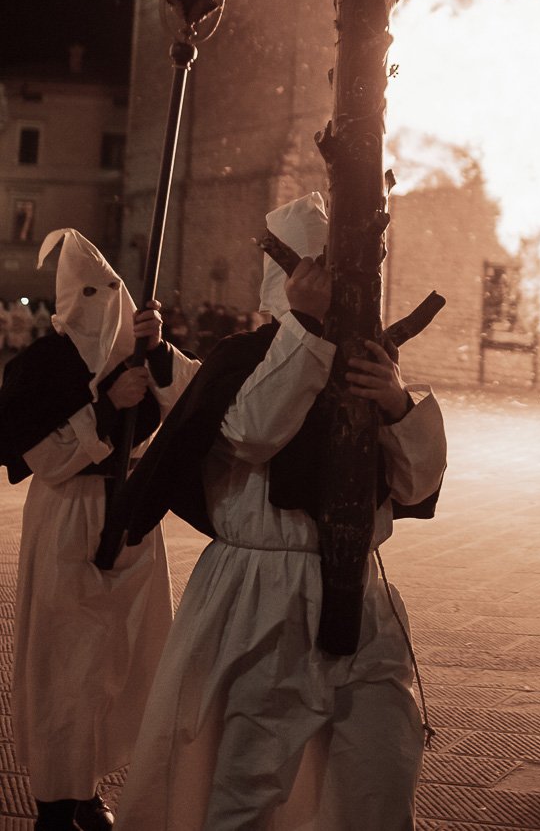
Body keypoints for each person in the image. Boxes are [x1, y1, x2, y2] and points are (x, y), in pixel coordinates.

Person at [115, 191, 447, 831]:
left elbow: (414, 486)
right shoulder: (246, 358)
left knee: (382, 768)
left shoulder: (369, 358)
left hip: (360, 589)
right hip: (264, 593)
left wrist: (398, 405)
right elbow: (254, 431)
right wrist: (306, 329)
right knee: (247, 782)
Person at [0, 229, 200, 830]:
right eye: (88, 292)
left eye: (110, 291)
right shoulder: (41, 365)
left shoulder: (136, 353)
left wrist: (158, 351)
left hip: (129, 512)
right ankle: (57, 802)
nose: (102, 305)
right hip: (68, 516)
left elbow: (195, 400)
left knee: (121, 655)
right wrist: (108, 406)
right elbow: (47, 457)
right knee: (66, 661)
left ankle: (86, 785)